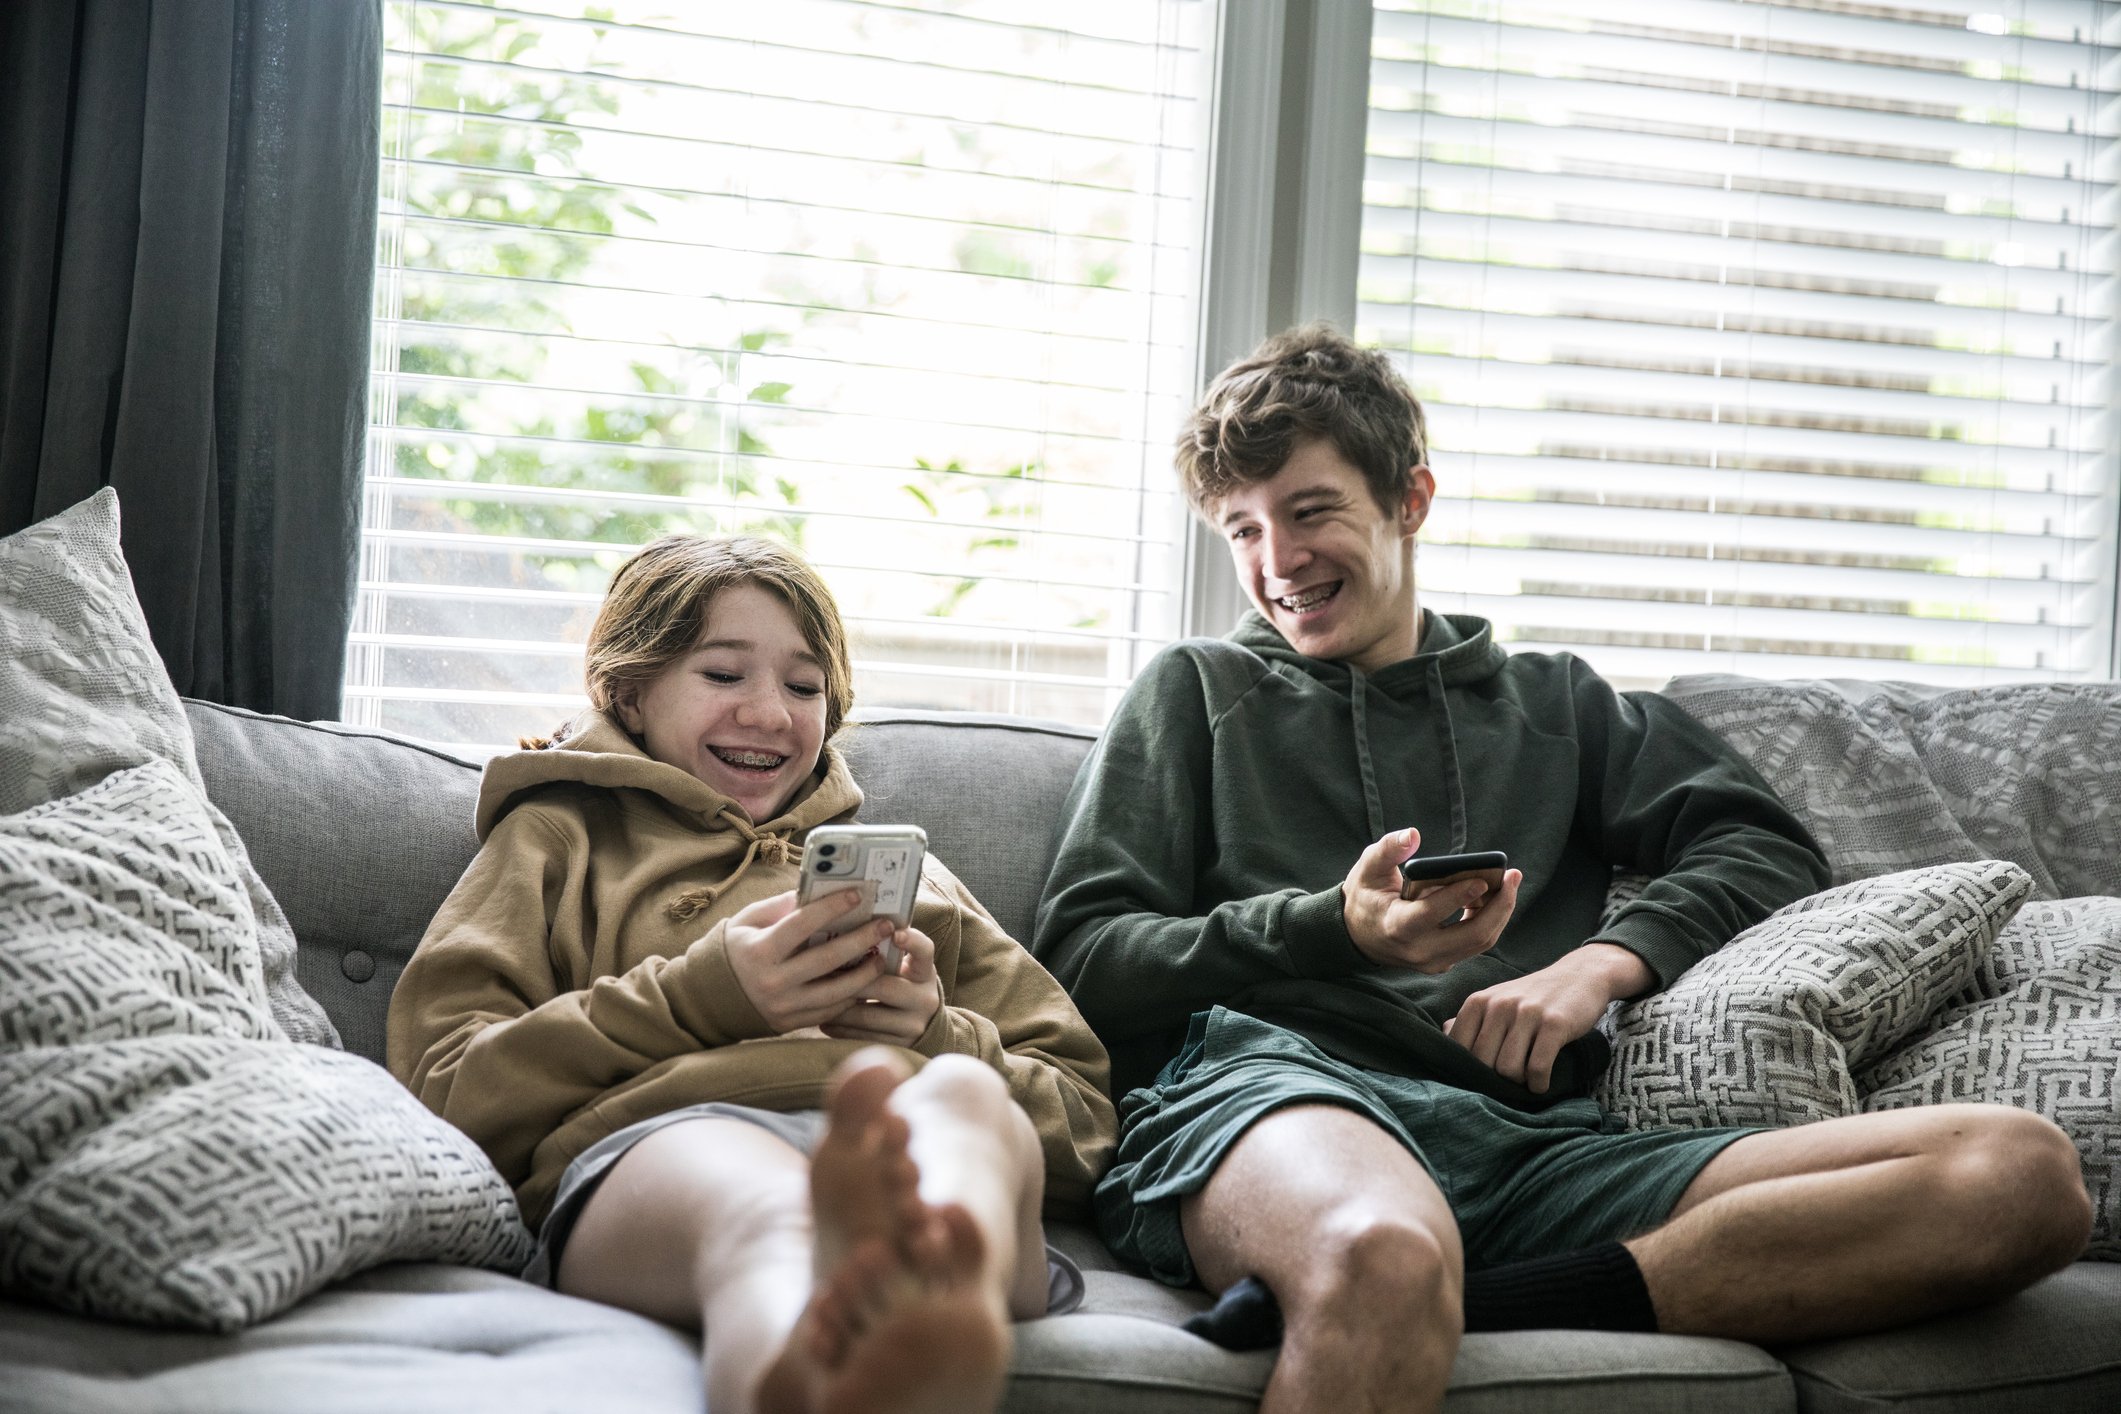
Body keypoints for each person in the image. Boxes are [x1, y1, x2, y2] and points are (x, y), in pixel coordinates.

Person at [1033, 325, 2092, 1414]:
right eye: (1241, 530)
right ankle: (1400, 1288)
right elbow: (1083, 957)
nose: (1277, 562)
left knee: (2018, 1174)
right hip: (1274, 1095)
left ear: (1410, 498)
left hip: (1532, 1144)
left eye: (1310, 512)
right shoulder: (1194, 691)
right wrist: (1328, 931)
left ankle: (1471, 1297)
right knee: (1384, 1255)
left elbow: (1760, 842)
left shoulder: (1558, 705)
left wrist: (1600, 963)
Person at [388, 534, 1117, 1414]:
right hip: (672, 1142)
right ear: (628, 692)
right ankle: (818, 1350)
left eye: (803, 687)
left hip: (888, 1120)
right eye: (724, 675)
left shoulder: (909, 881)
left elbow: (1085, 1119)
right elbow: (442, 1088)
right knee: (766, 1213)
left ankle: (933, 1269)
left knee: (961, 1100)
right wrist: (698, 1000)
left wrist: (936, 1033)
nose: (770, 713)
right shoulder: (557, 838)